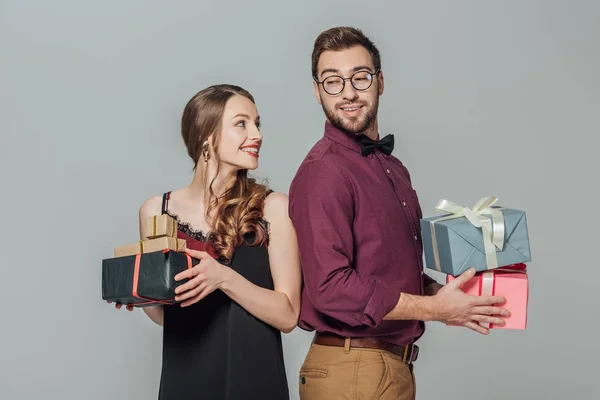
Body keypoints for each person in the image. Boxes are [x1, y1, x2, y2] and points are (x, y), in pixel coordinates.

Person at [288, 27, 511, 400]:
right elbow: (330, 288)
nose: (348, 92)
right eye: (332, 82)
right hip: (353, 369)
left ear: (380, 81)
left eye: (360, 77)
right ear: (317, 91)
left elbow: (387, 270)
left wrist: (452, 297)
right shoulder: (323, 173)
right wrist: (436, 309)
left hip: (386, 368)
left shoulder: (391, 168)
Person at [111, 84, 301, 399]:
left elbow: (288, 315)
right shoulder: (156, 210)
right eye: (242, 123)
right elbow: (168, 316)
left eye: (257, 123)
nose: (257, 134)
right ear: (207, 137)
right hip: (185, 377)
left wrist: (224, 278)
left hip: (254, 379)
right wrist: (141, 296)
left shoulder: (274, 207)